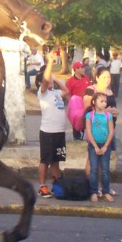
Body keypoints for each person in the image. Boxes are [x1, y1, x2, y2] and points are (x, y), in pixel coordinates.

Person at [36, 69, 68, 198]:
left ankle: (57, 184)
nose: (50, 82)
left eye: (51, 81)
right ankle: (42, 186)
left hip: (60, 132)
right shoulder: (42, 93)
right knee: (45, 160)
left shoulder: (56, 93)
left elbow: (66, 91)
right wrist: (49, 67)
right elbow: (45, 82)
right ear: (40, 83)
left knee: (56, 160)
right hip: (48, 132)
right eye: (48, 81)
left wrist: (55, 79)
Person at [85, 92, 115, 203]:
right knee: (93, 169)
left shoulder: (108, 116)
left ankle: (106, 191)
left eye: (105, 101)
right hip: (94, 145)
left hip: (105, 145)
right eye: (101, 101)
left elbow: (111, 131)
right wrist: (95, 146)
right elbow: (88, 131)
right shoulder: (90, 115)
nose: (104, 103)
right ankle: (94, 192)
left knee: (105, 170)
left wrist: (106, 146)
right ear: (94, 102)